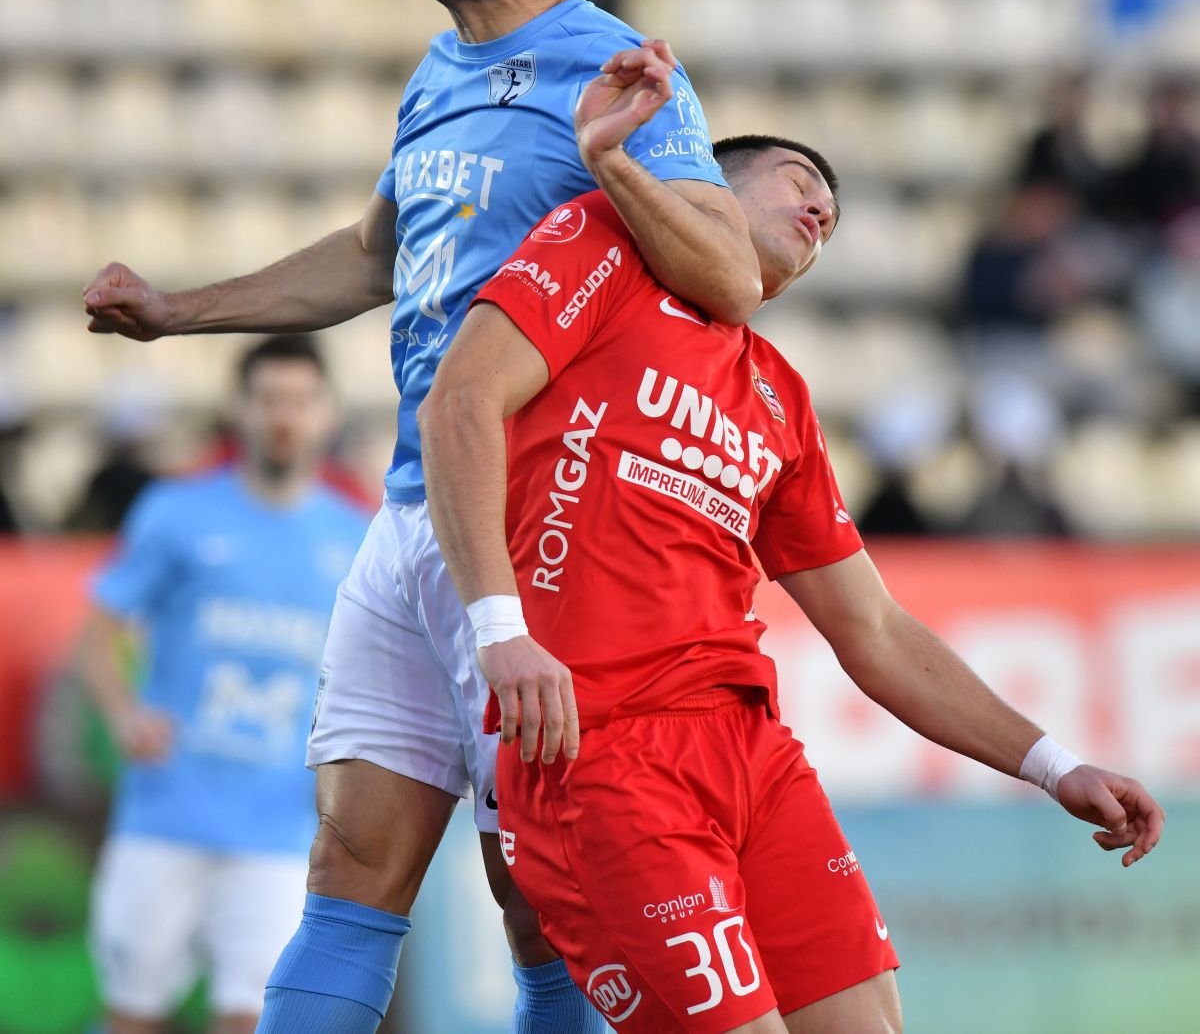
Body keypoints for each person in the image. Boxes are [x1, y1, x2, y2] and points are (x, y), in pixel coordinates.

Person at [83, 0, 761, 1034]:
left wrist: (612, 160)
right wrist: (178, 312)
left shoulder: (618, 72)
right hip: (409, 521)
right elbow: (371, 256)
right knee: (347, 870)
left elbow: (731, 276)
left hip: (536, 540)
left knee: (538, 900)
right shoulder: (439, 73)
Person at [419, 134, 1165, 1034]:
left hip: (753, 756)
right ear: (707, 189)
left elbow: (875, 630)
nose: (820, 214)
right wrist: (501, 627)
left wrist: (1054, 764)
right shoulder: (603, 254)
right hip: (602, 751)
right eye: (800, 183)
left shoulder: (779, 397)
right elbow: (458, 402)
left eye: (832, 220)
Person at [77, 335, 368, 1034]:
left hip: (277, 826)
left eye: (299, 400)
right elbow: (95, 637)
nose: (283, 416)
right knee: (131, 1014)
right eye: (268, 398)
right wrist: (122, 715)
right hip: (165, 813)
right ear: (238, 409)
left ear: (326, 413)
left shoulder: (356, 537)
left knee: (252, 1017)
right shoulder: (175, 512)